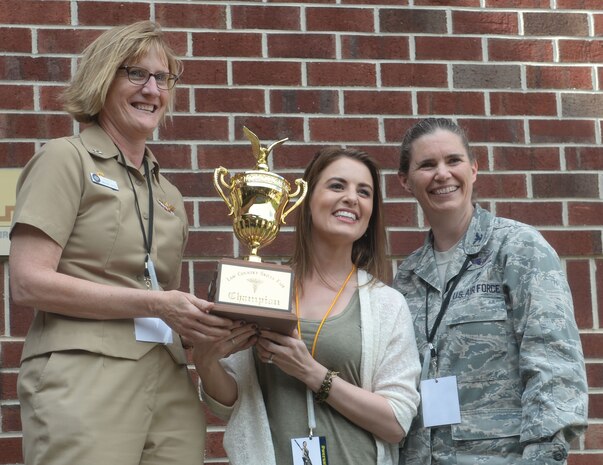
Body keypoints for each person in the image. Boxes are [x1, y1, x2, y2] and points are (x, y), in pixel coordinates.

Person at [9, 21, 234, 465]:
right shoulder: (64, 159)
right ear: (102, 78)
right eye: (135, 74)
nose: (152, 90)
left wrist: (209, 324)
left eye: (163, 78)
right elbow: (27, 283)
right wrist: (157, 305)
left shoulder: (169, 195)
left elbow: (160, 296)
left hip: (168, 381)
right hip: (85, 373)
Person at [193, 147, 421, 465]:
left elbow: (396, 423)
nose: (352, 198)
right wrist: (206, 360)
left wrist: (311, 372)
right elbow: (229, 401)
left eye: (364, 192)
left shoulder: (387, 304)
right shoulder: (261, 288)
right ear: (306, 200)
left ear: (371, 213)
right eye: (337, 185)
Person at [393, 117, 589, 465]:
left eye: (453, 160)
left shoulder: (518, 249)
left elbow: (555, 369)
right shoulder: (406, 277)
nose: (442, 174)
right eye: (427, 165)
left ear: (473, 169)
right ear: (406, 181)